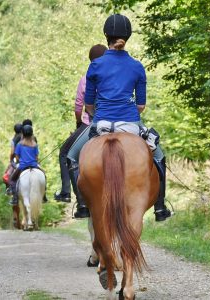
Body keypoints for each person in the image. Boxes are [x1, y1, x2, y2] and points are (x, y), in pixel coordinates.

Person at [68, 14, 172, 221]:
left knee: (72, 157)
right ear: (128, 36)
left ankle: (82, 205)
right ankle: (160, 208)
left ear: (106, 35)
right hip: (131, 124)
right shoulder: (136, 66)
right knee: (159, 158)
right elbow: (141, 106)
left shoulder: (95, 65)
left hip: (102, 123)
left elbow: (88, 105)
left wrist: (97, 114)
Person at [54, 44, 108, 219]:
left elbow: (79, 106)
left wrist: (79, 122)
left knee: (66, 154)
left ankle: (74, 198)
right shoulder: (113, 76)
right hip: (120, 121)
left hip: (91, 124)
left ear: (91, 60)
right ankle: (159, 203)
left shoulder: (87, 78)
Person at [3, 123, 22, 194]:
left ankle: (9, 189)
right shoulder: (27, 138)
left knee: (7, 175)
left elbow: (12, 152)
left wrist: (11, 160)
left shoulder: (14, 140)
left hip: (17, 160)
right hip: (30, 159)